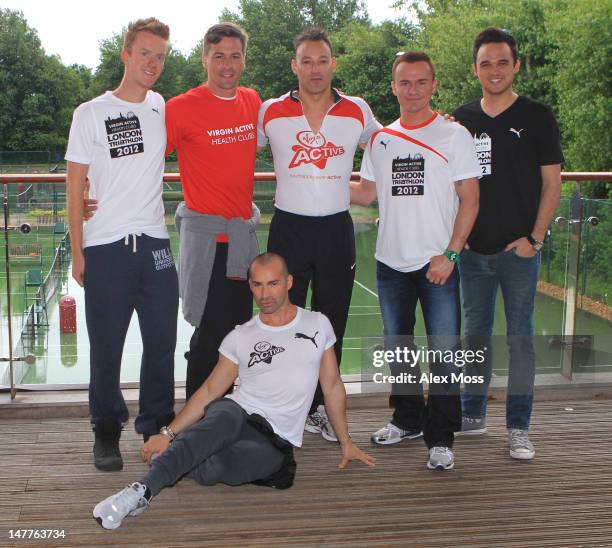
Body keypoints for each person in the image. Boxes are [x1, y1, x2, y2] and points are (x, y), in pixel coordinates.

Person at [92, 252, 375, 530]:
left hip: (277, 437)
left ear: (289, 282)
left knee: (217, 467)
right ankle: (140, 491)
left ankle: (175, 459)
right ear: (250, 285)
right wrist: (167, 433)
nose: (265, 294)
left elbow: (333, 386)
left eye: (273, 283)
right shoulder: (241, 336)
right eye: (257, 285)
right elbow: (209, 391)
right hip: (238, 411)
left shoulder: (317, 324)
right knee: (222, 418)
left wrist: (345, 441)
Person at [351, 52, 480, 470]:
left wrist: (452, 253)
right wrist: (312, 176)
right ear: (393, 86)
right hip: (391, 263)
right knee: (400, 348)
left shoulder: (454, 136)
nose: (413, 90)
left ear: (434, 84)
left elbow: (471, 198)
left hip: (438, 264)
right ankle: (407, 420)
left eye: (421, 82)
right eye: (405, 82)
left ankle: (441, 437)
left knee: (443, 352)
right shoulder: (381, 140)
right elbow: (365, 193)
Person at [65, 18, 179, 472]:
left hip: (155, 244)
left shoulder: (160, 106)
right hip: (107, 246)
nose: (153, 63)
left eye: (160, 56)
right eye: (146, 53)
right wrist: (78, 251)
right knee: (107, 346)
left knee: (162, 343)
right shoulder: (90, 113)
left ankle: (156, 428)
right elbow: (75, 188)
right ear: (126, 54)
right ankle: (106, 428)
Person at [257, 28, 380, 442]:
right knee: (280, 321)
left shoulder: (357, 110)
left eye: (321, 60)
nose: (314, 69)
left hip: (334, 229)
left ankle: (322, 410)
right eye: (306, 61)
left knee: (331, 325)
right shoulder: (270, 111)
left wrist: (439, 123)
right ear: (294, 66)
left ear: (333, 64)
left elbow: (391, 141)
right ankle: (284, 408)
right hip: (288, 228)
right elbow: (234, 150)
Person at [453, 28, 563, 460]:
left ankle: (518, 426)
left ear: (516, 65)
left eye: (502, 62)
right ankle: (472, 416)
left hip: (518, 253)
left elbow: (552, 183)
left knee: (520, 340)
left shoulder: (538, 115)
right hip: (473, 253)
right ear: (475, 68)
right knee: (474, 337)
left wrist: (534, 239)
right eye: (485, 63)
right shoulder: (461, 120)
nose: (494, 70)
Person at [165, 23, 261, 400]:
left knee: (238, 334)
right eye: (218, 55)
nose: (227, 64)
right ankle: (193, 429)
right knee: (207, 338)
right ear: (204, 59)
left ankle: (224, 420)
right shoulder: (180, 108)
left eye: (235, 55)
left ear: (244, 60)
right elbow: (144, 158)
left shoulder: (252, 100)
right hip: (207, 242)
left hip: (242, 242)